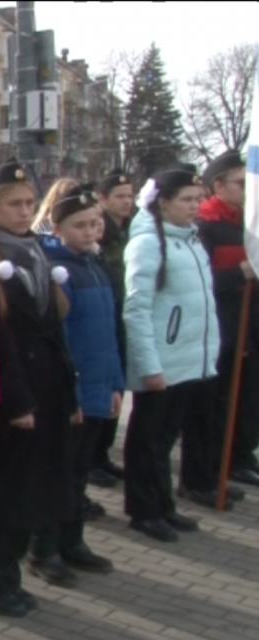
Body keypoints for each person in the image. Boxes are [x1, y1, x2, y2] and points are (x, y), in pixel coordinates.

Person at [0, 159, 79, 618]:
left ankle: (9, 574)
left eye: (30, 203)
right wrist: (14, 400)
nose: (23, 211)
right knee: (0, 493)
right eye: (14, 204)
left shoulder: (36, 252)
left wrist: (68, 396)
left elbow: (54, 331)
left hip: (47, 389)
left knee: (31, 490)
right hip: (11, 394)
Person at [123, 164, 221, 543]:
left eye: (199, 199)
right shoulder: (149, 242)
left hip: (188, 360)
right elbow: (137, 307)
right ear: (162, 202)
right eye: (187, 200)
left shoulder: (191, 239)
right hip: (162, 362)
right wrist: (149, 364)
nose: (195, 206)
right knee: (149, 438)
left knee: (166, 438)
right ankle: (143, 509)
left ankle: (163, 504)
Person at [40, 184, 122, 576]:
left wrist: (116, 384)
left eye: (96, 223)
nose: (91, 231)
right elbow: (63, 341)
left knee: (79, 473)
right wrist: (70, 395)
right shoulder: (59, 273)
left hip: (99, 388)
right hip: (72, 394)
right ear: (58, 228)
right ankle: (46, 548)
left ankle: (73, 541)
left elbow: (109, 337)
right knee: (58, 474)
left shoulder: (96, 267)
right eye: (80, 225)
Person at [196, 151, 259, 491]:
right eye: (240, 183)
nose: (248, 190)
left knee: (249, 397)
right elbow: (203, 281)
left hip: (250, 326)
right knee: (221, 401)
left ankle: (241, 454)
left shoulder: (248, 225)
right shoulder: (206, 225)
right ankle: (217, 463)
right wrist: (243, 271)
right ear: (218, 185)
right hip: (223, 327)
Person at [89, 168, 135, 488]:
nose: (127, 202)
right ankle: (92, 458)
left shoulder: (130, 230)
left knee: (115, 392)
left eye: (131, 195)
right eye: (120, 196)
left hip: (121, 316)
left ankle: (102, 455)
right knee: (101, 395)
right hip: (107, 313)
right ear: (102, 199)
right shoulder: (97, 233)